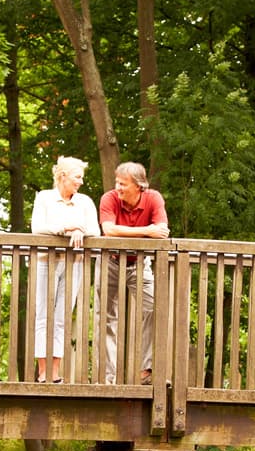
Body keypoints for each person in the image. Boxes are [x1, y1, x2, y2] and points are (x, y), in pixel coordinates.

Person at [31, 156, 101, 382]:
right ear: (63, 176)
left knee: (61, 317)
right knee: (43, 315)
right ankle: (43, 372)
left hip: (74, 264)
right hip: (45, 262)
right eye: (77, 177)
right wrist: (65, 228)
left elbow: (95, 231)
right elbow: (37, 228)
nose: (80, 182)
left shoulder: (85, 202)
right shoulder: (44, 198)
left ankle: (55, 372)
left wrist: (80, 230)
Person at [98, 161, 168, 384]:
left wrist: (129, 233)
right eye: (117, 182)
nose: (118, 187)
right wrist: (146, 231)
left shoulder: (153, 198)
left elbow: (163, 231)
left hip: (139, 263)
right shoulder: (109, 198)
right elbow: (108, 230)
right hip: (110, 261)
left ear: (139, 186)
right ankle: (108, 378)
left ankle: (146, 371)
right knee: (107, 318)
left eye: (123, 184)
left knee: (154, 308)